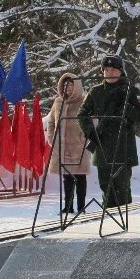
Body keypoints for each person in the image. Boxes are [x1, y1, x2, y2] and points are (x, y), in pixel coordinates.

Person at [78, 55, 140, 209]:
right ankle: (109, 221)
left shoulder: (129, 90)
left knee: (122, 189)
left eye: (113, 69)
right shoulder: (95, 92)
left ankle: (124, 224)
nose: (109, 73)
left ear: (120, 71)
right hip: (102, 144)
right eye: (106, 70)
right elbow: (82, 114)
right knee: (106, 187)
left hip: (123, 146)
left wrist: (126, 107)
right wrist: (92, 133)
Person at [45, 72, 90, 214]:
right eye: (65, 85)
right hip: (63, 147)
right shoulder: (58, 102)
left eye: (70, 85)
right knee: (67, 178)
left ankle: (81, 207)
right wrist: (51, 138)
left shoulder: (84, 101)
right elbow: (51, 121)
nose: (67, 88)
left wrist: (84, 139)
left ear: (76, 86)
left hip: (78, 147)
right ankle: (68, 206)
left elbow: (92, 122)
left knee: (80, 177)